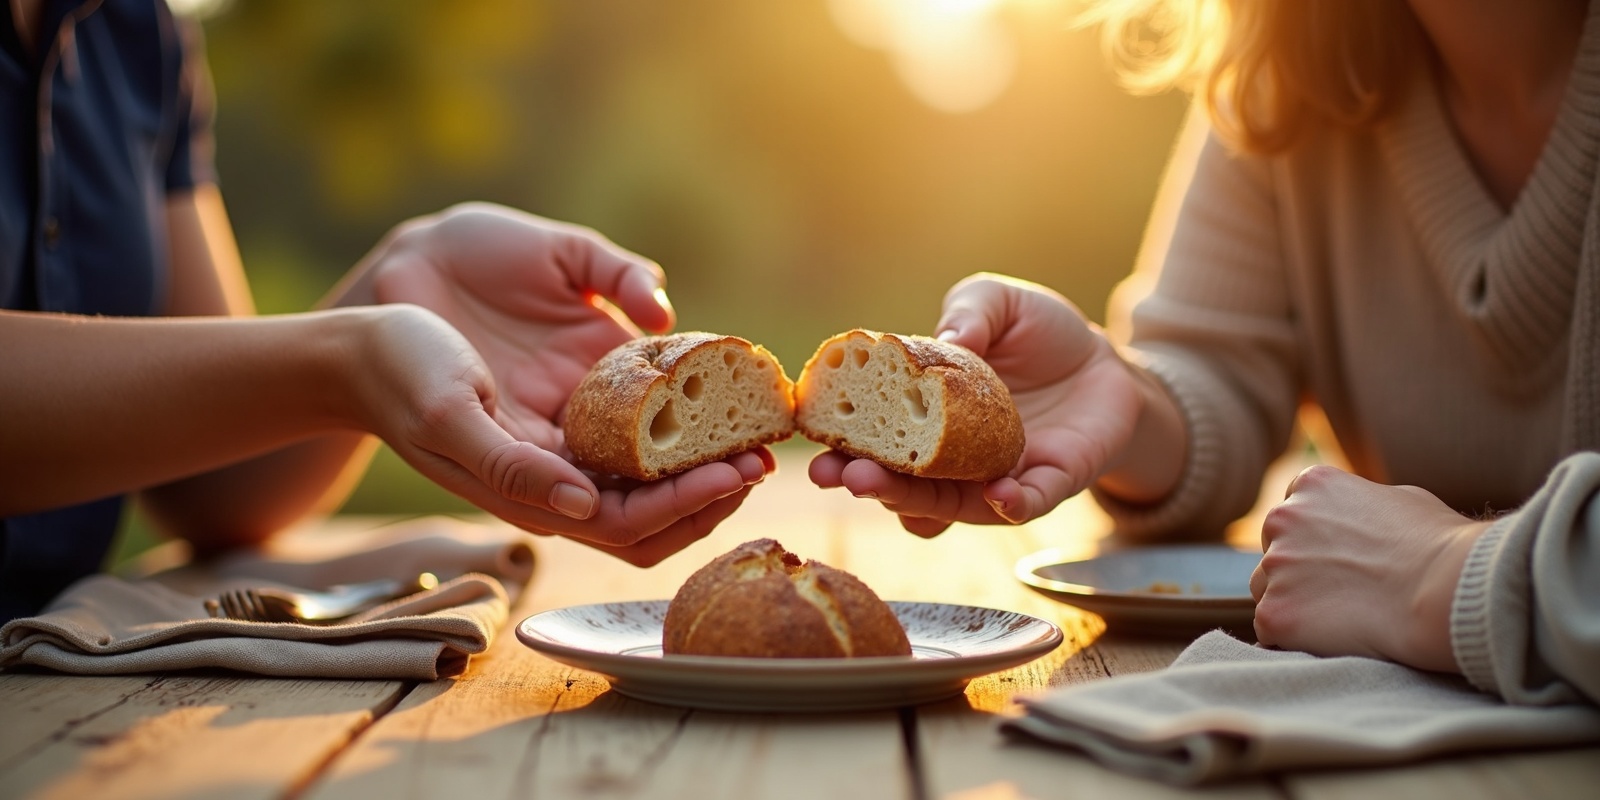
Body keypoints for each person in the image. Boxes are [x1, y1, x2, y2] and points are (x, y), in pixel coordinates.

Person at [811, 0, 1600, 705]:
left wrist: (1443, 575)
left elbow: (1434, 575)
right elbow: (1219, 368)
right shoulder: (1286, 63)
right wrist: (1127, 403)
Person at [0, 0, 771, 622]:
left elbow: (214, 483)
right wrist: (347, 360)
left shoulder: (134, 32)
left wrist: (396, 283)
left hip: (58, 672)